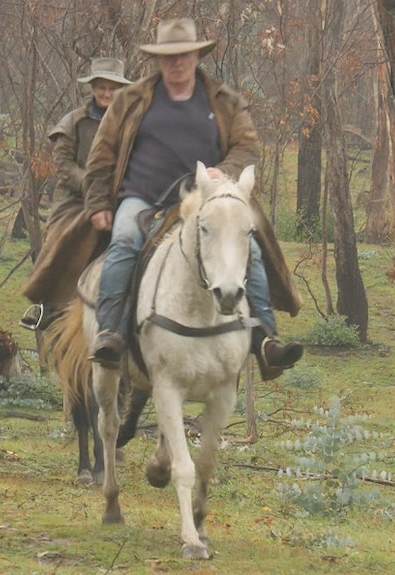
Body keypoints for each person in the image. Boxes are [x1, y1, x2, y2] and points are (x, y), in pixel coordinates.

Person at [84, 18, 303, 380]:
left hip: (207, 199)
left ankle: (265, 338)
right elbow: (101, 153)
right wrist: (98, 204)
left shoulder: (224, 100)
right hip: (143, 199)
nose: (177, 63)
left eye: (183, 55)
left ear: (196, 56)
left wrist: (224, 170)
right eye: (169, 56)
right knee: (123, 241)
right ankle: (110, 334)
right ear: (158, 60)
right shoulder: (131, 99)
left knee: (255, 250)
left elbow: (246, 146)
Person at [19, 58, 132, 330]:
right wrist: (93, 185)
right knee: (63, 236)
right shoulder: (73, 122)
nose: (107, 93)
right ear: (93, 88)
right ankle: (49, 303)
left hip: (121, 198)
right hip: (76, 200)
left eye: (113, 88)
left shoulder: (130, 124)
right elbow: (64, 165)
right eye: (102, 87)